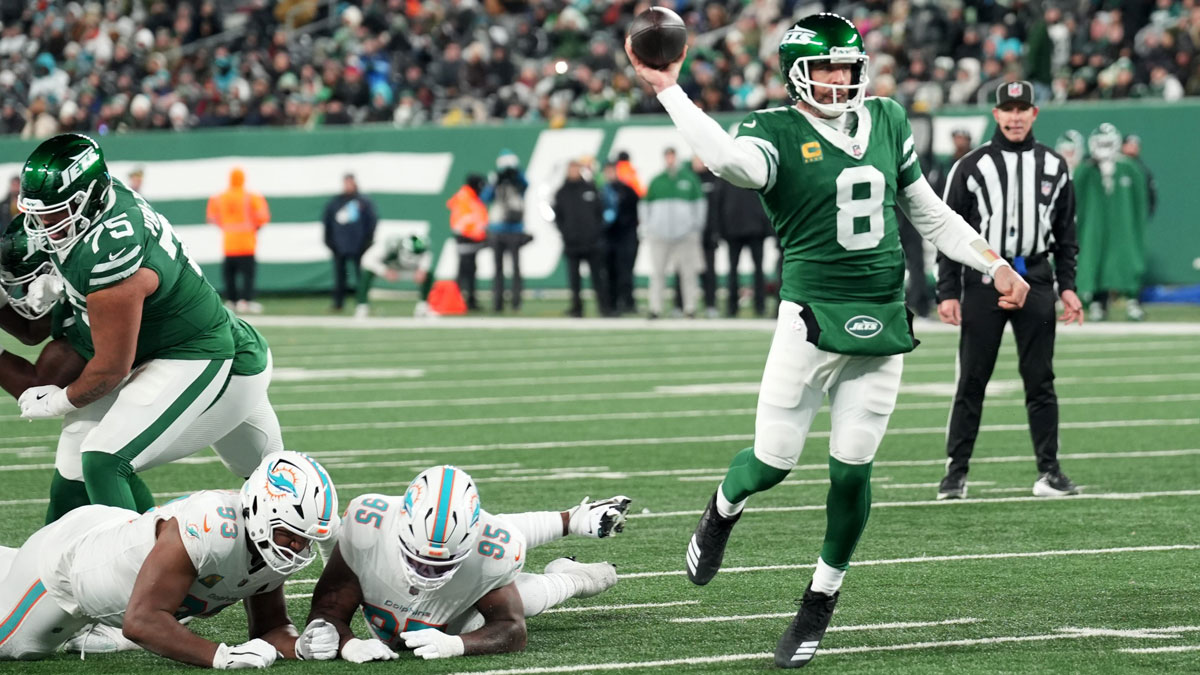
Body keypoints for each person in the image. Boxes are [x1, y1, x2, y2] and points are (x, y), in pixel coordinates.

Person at [626, 13, 1030, 668]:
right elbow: (727, 159)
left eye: (847, 67)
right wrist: (669, 88)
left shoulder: (890, 120)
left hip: (882, 319)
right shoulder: (773, 130)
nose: (839, 80)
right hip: (809, 320)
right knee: (773, 461)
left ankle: (820, 597)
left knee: (852, 469)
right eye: (826, 69)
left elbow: (926, 209)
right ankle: (724, 507)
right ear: (797, 76)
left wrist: (994, 262)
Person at [16, 133, 282, 516]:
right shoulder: (101, 204)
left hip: (193, 353)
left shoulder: (111, 251)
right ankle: (54, 567)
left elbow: (109, 369)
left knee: (103, 458)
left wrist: (57, 401)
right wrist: (60, 285)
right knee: (76, 464)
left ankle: (136, 565)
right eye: (39, 212)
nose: (44, 224)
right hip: (164, 344)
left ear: (87, 199)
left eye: (57, 211)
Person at [0, 451, 341, 666]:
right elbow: (143, 622)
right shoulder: (210, 528)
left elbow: (269, 628)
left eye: (306, 539)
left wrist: (300, 647)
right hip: (66, 567)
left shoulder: (269, 544)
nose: (297, 549)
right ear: (258, 512)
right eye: (290, 535)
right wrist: (221, 656)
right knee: (16, 648)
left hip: (123, 553)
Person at [306, 465, 629, 661]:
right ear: (399, 529)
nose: (425, 574)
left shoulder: (493, 544)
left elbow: (511, 630)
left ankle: (576, 578)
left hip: (457, 617)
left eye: (439, 565)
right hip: (388, 606)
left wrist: (457, 644)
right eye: (418, 560)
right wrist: (345, 643)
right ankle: (572, 519)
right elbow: (329, 610)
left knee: (524, 597)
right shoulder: (369, 522)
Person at [935, 80, 1084, 502]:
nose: (1015, 117)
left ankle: (1049, 471)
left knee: (1041, 379)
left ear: (1034, 114)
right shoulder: (970, 165)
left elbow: (1065, 233)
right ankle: (956, 472)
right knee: (972, 379)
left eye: (1023, 109)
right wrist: (947, 290)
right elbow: (948, 230)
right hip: (984, 282)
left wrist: (1067, 285)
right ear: (996, 114)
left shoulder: (1055, 165)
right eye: (1008, 109)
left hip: (1036, 278)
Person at [1074, 124, 1150, 321]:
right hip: (1094, 225)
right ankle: (1097, 301)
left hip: (1122, 224)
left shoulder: (1129, 168)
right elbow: (1075, 198)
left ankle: (1133, 300)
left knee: (1127, 259)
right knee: (1094, 258)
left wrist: (1137, 224)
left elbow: (1141, 201)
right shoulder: (1086, 170)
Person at [640, 148, 705, 319]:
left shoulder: (689, 179)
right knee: (657, 273)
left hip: (685, 236)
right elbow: (645, 206)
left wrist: (695, 227)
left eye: (672, 157)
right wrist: (649, 226)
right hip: (660, 235)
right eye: (667, 157)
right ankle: (655, 308)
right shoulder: (656, 180)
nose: (670, 160)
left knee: (688, 274)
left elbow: (700, 205)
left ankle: (690, 308)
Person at [554, 160, 613, 318]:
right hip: (572, 243)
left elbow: (600, 213)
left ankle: (604, 307)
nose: (573, 171)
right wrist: (565, 232)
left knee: (598, 278)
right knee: (574, 279)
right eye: (571, 168)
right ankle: (577, 308)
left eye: (576, 168)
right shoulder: (562, 192)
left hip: (591, 242)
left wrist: (596, 232)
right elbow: (558, 217)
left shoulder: (590, 188)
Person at [206, 166, 269, 313]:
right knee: (248, 274)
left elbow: (211, 217)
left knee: (230, 275)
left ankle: (232, 300)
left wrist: (225, 226)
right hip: (247, 243)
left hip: (229, 243)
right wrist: (255, 227)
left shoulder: (220, 197)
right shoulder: (251, 196)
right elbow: (263, 216)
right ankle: (246, 300)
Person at [713, 176, 773, 318]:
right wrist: (720, 230)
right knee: (734, 270)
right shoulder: (727, 176)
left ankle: (760, 306)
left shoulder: (756, 173)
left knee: (757, 270)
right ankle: (733, 307)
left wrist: (767, 228)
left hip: (754, 230)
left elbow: (767, 200)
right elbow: (718, 204)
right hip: (734, 231)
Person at [322, 173, 378, 313]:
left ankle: (362, 302)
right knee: (340, 276)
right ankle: (338, 303)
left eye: (350, 183)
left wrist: (367, 241)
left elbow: (371, 222)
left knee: (361, 276)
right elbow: (327, 222)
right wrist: (329, 241)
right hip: (339, 245)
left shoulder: (363, 202)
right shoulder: (336, 202)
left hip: (359, 245)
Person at [482, 150, 529, 312]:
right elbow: (485, 198)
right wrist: (495, 181)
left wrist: (516, 176)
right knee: (498, 268)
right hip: (497, 228)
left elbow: (526, 186)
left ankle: (516, 302)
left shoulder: (518, 180)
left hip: (515, 228)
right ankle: (498, 303)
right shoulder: (495, 180)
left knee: (516, 268)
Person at [354, 234, 435, 319]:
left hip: (408, 271)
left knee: (428, 275)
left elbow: (426, 259)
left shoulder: (424, 251)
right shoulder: (388, 246)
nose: (416, 256)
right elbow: (366, 260)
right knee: (367, 272)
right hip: (389, 268)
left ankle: (423, 308)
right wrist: (384, 271)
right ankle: (362, 306)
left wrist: (422, 270)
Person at [601, 160, 640, 315]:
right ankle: (612, 304)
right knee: (610, 273)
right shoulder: (602, 191)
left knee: (626, 272)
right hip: (609, 238)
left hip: (626, 237)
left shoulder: (627, 191)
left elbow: (635, 214)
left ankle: (628, 302)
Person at [447, 174, 489, 312]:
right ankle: (457, 301)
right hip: (466, 238)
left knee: (470, 270)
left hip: (472, 237)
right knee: (464, 271)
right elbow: (464, 221)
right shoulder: (465, 198)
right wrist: (476, 234)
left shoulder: (470, 196)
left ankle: (468, 300)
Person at [693, 156, 721, 318]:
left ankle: (710, 305)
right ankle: (684, 306)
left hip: (709, 235)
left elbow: (718, 209)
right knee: (686, 273)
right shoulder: (689, 180)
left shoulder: (714, 180)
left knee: (709, 272)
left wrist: (716, 231)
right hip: (691, 236)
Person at [1121, 134, 1156, 219]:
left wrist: (1143, 216)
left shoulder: (1143, 171)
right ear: (1122, 146)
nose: (1133, 147)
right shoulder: (1112, 167)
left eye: (1136, 145)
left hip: (1133, 216)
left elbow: (1151, 197)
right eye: (1130, 144)